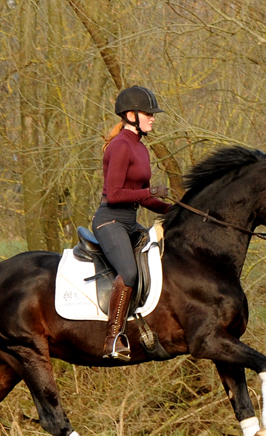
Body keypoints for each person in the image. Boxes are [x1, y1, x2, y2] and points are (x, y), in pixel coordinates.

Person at [92, 86, 172, 361]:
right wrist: (149, 193)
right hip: (110, 221)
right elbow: (115, 194)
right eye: (148, 114)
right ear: (131, 115)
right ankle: (113, 339)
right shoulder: (120, 146)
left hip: (130, 222)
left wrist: (175, 212)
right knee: (129, 271)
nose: (153, 118)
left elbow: (146, 199)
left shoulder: (140, 148)